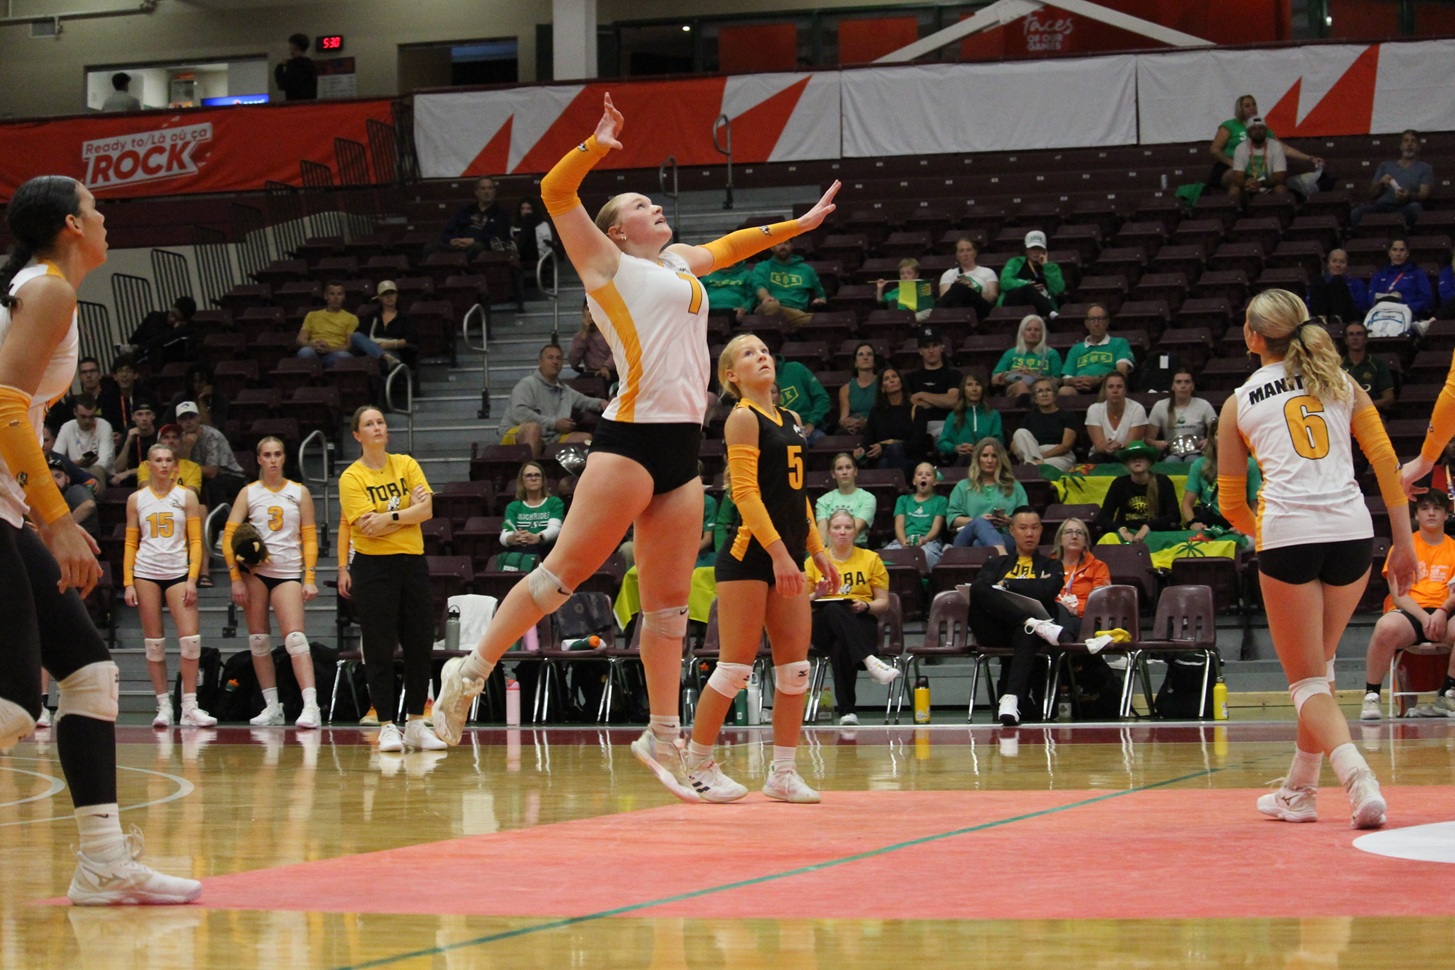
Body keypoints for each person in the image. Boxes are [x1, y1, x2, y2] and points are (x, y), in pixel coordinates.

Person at [430, 94, 842, 794]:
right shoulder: (603, 264)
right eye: (641, 205)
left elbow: (733, 246)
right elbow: (553, 191)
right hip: (628, 440)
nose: (656, 209)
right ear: (616, 231)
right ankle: (467, 674)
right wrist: (595, 146)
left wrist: (793, 226)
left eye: (655, 203)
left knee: (668, 610)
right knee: (560, 577)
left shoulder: (678, 261)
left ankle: (661, 734)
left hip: (682, 447)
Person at [0, 174, 201, 905]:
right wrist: (57, 521)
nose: (105, 214)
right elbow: (5, 405)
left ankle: (105, 863)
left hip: (5, 503)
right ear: (69, 224)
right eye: (95, 205)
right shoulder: (47, 288)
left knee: (89, 673)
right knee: (17, 704)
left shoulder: (42, 286)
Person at [1219, 288, 1415, 829]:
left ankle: (1358, 779)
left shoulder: (1239, 400)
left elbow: (1230, 501)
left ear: (1253, 336)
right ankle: (1297, 791)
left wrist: (1265, 532)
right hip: (1354, 533)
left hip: (1290, 536)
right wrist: (1405, 542)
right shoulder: (1340, 381)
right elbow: (1385, 459)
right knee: (1320, 672)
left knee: (1305, 683)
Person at [680, 335, 839, 801]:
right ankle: (697, 764)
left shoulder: (789, 420)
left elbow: (798, 497)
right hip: (750, 556)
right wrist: (780, 554)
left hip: (787, 553)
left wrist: (818, 551)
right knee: (734, 669)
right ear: (732, 376)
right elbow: (745, 493)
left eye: (765, 351)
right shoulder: (742, 418)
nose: (761, 356)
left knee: (795, 672)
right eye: (748, 354)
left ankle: (783, 773)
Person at [336, 405, 445, 754]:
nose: (377, 427)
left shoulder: (407, 464)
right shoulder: (351, 478)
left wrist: (389, 518)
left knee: (419, 642)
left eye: (381, 422)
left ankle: (415, 722)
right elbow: (363, 525)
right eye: (369, 424)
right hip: (372, 568)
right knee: (380, 647)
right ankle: (386, 724)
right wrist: (405, 515)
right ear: (357, 435)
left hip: (412, 563)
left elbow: (426, 510)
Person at [968, 507, 1104, 727]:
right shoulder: (995, 563)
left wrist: (1007, 585)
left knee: (1026, 631)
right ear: (1012, 531)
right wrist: (1031, 587)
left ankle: (1011, 700)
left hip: (1025, 634)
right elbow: (983, 590)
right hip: (994, 630)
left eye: (1034, 528)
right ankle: (1030, 621)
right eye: (1023, 528)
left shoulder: (1051, 564)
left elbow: (1046, 592)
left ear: (1041, 531)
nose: (1029, 533)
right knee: (978, 589)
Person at [222, 435, 322, 731]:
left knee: (294, 639)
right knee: (258, 640)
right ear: (259, 459)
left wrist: (310, 578)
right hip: (255, 573)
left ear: (284, 458)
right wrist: (235, 578)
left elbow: (310, 537)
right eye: (267, 455)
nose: (273, 459)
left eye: (278, 454)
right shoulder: (249, 493)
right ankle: (272, 707)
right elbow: (229, 536)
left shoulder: (299, 492)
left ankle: (311, 706)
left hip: (288, 572)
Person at [124, 444, 215, 729]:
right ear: (148, 466)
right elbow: (130, 542)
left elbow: (197, 541)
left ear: (175, 466)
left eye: (168, 461)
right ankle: (163, 706)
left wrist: (192, 577)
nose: (163, 465)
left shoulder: (186, 496)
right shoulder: (136, 499)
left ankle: (190, 706)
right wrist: (128, 582)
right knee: (154, 643)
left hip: (178, 571)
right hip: (146, 571)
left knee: (190, 641)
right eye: (158, 460)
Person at [1359, 491, 1455, 721]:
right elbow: (1398, 595)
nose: (1431, 513)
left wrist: (1442, 612)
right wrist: (1424, 617)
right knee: (1385, 628)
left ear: (1446, 514)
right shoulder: (1403, 547)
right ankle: (1372, 696)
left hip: (1446, 610)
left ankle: (1448, 692)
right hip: (1412, 612)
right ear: (1416, 514)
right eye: (1425, 508)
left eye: (1437, 508)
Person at [807, 509, 897, 726]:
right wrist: (817, 594)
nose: (842, 532)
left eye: (848, 527)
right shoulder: (813, 562)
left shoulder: (871, 558)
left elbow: (883, 602)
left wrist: (865, 605)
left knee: (841, 647)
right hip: (822, 623)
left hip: (859, 618)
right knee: (832, 607)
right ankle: (869, 660)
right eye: (837, 527)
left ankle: (848, 712)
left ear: (855, 533)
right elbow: (798, 603)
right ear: (828, 532)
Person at [501, 343, 606, 459]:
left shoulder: (565, 390)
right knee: (533, 429)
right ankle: (532, 472)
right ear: (540, 362)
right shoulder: (526, 384)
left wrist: (603, 403)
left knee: (585, 439)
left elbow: (586, 401)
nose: (555, 361)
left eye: (558, 358)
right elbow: (520, 414)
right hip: (517, 434)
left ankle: (570, 476)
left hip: (551, 438)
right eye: (550, 358)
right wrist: (554, 424)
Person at [1206, 94, 1322, 192]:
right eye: (1247, 106)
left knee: (1277, 184)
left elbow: (1284, 149)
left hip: (1255, 168)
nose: (1252, 108)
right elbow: (1215, 150)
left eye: (1254, 105)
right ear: (1239, 109)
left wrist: (1309, 158)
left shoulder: (1261, 129)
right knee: (1236, 179)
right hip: (1229, 167)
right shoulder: (1230, 125)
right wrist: (1231, 163)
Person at [296, 281, 399, 370]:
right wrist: (313, 345)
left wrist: (329, 349)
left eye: (339, 294)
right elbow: (300, 340)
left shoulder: (351, 318)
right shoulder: (312, 315)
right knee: (305, 352)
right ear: (325, 296)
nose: (336, 297)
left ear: (344, 297)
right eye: (332, 294)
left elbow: (349, 346)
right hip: (314, 352)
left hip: (334, 354)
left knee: (344, 356)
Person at [948, 437, 1027, 550]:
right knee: (979, 522)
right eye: (985, 456)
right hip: (966, 538)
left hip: (1004, 536)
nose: (990, 460)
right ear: (977, 459)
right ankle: (1001, 555)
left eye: (994, 456)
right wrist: (977, 522)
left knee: (979, 545)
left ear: (1000, 459)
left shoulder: (1014, 486)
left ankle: (997, 554)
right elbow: (953, 519)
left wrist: (1009, 521)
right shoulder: (963, 486)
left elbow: (1026, 519)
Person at [1181, 425, 1261, 533]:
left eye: (1228, 434)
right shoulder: (1199, 465)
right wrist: (1193, 523)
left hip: (1240, 523)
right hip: (1208, 524)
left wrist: (1246, 526)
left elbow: (1255, 505)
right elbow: (1187, 503)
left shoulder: (1250, 464)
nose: (1224, 438)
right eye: (1219, 434)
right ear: (1212, 439)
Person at [853, 365, 928, 479]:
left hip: (909, 459)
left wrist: (884, 447)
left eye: (894, 376)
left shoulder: (917, 411)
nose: (892, 380)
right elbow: (868, 441)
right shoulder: (876, 413)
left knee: (895, 451)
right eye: (887, 379)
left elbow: (917, 443)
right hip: (882, 459)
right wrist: (862, 449)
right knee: (884, 463)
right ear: (882, 388)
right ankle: (900, 490)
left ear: (901, 382)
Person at [1096, 441, 1179, 542]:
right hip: (1127, 536)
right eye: (1132, 457)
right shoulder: (1119, 484)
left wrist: (1148, 526)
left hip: (1157, 535)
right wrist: (1121, 530)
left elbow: (1174, 516)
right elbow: (1103, 517)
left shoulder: (1163, 482)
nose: (1137, 460)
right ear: (1126, 463)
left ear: (1149, 461)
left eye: (1142, 457)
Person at [1350, 130, 1433, 230]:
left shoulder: (1425, 168)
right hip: (1382, 206)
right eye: (1406, 141)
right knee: (1356, 213)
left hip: (1405, 207)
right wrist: (1380, 183)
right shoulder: (1385, 165)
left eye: (1413, 141)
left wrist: (1409, 196)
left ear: (1419, 147)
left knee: (1415, 208)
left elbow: (1424, 194)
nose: (1409, 144)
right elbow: (1372, 193)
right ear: (1401, 146)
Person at [174, 399, 246, 514]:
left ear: (198, 418)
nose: (188, 422)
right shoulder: (182, 437)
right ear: (178, 421)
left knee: (213, 484)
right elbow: (181, 469)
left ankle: (221, 526)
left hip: (232, 476)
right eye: (184, 418)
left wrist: (187, 457)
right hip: (203, 478)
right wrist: (186, 449)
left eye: (191, 417)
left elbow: (212, 472)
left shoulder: (212, 436)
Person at [499, 461, 564, 570]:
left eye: (537, 475)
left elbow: (555, 529)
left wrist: (537, 537)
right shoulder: (513, 506)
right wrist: (515, 538)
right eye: (529, 476)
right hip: (521, 550)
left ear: (543, 480)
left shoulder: (554, 502)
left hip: (547, 551)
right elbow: (505, 535)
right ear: (522, 481)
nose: (533, 479)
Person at [750, 240, 829, 328]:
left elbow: (821, 295)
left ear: (791, 246)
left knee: (819, 321)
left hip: (796, 311)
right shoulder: (762, 267)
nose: (783, 247)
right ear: (771, 247)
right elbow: (759, 286)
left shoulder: (807, 270)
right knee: (772, 306)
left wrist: (820, 300)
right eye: (779, 243)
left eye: (786, 243)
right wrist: (766, 297)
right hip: (770, 307)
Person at [430, 176, 513, 260]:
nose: (487, 192)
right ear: (476, 192)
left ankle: (463, 269)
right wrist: (451, 240)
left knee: (478, 247)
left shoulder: (501, 213)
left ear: (494, 192)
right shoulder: (465, 210)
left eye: (490, 188)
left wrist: (473, 240)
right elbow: (448, 231)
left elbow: (500, 236)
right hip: (459, 244)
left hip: (482, 246)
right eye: (483, 188)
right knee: (430, 248)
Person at [884, 461, 948, 568]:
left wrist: (924, 540)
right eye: (919, 474)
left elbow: (936, 529)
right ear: (914, 481)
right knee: (884, 557)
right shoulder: (903, 500)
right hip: (905, 539)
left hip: (928, 541)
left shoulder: (941, 501)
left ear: (935, 482)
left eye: (928, 475)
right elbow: (899, 525)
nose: (923, 477)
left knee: (926, 556)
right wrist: (903, 541)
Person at [1060, 305, 1133, 397]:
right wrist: (1074, 381)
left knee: (1113, 387)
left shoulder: (1120, 343)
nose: (1096, 323)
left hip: (1106, 386)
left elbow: (1121, 372)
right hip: (1080, 390)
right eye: (1092, 319)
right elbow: (1066, 378)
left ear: (1107, 322)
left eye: (1100, 319)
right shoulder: (1076, 349)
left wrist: (1097, 380)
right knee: (1064, 391)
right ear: (1086, 324)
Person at [903, 326, 962, 438]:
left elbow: (953, 401)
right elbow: (909, 404)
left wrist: (922, 395)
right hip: (916, 426)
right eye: (926, 347)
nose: (931, 351)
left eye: (934, 345)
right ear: (920, 351)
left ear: (942, 347)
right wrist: (940, 401)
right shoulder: (910, 378)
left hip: (946, 425)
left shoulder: (954, 375)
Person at [1010, 377, 1080, 472]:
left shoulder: (1068, 416)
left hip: (1060, 457)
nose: (1044, 394)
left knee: (1038, 466)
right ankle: (1031, 464)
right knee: (1020, 432)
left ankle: (1030, 466)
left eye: (1048, 390)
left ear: (1055, 396)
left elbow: (1066, 446)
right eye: (1039, 391)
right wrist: (1024, 454)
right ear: (1035, 399)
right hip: (1033, 453)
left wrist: (1039, 457)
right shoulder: (1030, 418)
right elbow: (1015, 443)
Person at [1145, 371, 1217, 462]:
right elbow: (1148, 439)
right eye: (1178, 382)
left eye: (1187, 382)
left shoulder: (1204, 405)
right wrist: (1156, 443)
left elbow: (1217, 431)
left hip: (1197, 451)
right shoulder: (1160, 406)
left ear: (1192, 386)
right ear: (1172, 386)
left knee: (1192, 459)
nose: (1183, 386)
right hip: (1171, 453)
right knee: (1171, 461)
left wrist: (1208, 440)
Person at [992, 314, 1061, 402]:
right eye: (1028, 329)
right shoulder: (1011, 353)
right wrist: (1013, 372)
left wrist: (1034, 375)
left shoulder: (1051, 354)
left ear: (1042, 333)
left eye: (1037, 330)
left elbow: (1057, 381)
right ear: (1022, 332)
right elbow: (994, 380)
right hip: (1015, 388)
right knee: (1021, 384)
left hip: (1042, 389)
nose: (1032, 333)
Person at [938, 370, 1003, 463]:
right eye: (969, 385)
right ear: (963, 390)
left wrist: (978, 448)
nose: (974, 389)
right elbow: (942, 443)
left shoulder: (993, 415)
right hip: (960, 460)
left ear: (982, 389)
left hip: (988, 460)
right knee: (966, 458)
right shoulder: (953, 416)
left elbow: (998, 441)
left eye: (978, 384)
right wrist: (955, 448)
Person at [1050, 517, 1110, 618]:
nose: (1074, 536)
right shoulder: (1048, 566)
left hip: (1085, 620)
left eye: (1079, 532)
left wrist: (1077, 610)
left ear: (1086, 541)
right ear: (1060, 540)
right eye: (1068, 532)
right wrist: (1060, 607)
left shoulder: (1098, 567)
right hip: (1054, 617)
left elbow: (1100, 602)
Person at [999, 231, 1066, 318]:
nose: (1036, 252)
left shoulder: (1052, 267)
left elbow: (1058, 290)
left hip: (1040, 305)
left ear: (1044, 250)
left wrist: (1046, 266)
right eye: (1033, 248)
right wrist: (1026, 284)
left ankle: (1049, 314)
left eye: (1039, 248)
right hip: (1015, 302)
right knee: (1028, 288)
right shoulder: (1015, 262)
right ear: (1026, 249)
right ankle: (1051, 313)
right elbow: (1004, 282)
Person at [1084, 372, 1147, 463]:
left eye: (1119, 386)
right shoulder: (1094, 409)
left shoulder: (1137, 409)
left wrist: (1119, 446)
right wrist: (1108, 448)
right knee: (1096, 459)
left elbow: (1131, 444)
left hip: (1129, 455)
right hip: (1102, 455)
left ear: (1125, 390)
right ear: (1105, 391)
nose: (1115, 390)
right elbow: (1099, 445)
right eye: (1111, 387)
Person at [814, 452, 875, 547]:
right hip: (829, 548)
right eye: (839, 468)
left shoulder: (867, 498)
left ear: (855, 471)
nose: (844, 472)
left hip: (857, 546)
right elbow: (822, 536)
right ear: (833, 474)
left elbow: (853, 531)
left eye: (848, 467)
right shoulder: (823, 501)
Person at [1368, 235, 1434, 320]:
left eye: (1402, 250)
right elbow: (1371, 301)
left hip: (1410, 316)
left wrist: (1404, 306)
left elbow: (1427, 300)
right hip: (1382, 316)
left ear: (1407, 253)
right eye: (1394, 250)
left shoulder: (1417, 273)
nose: (1398, 254)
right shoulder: (1379, 275)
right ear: (1389, 252)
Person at [54, 393, 114, 486]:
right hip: (75, 474)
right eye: (83, 416)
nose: (87, 421)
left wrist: (73, 465)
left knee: (96, 471)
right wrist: (78, 464)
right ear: (75, 412)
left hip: (100, 475)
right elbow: (55, 459)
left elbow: (103, 462)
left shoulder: (104, 426)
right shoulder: (67, 427)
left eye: (91, 417)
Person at [1339, 321, 1396, 414]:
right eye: (1351, 334)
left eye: (1359, 334)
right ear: (1345, 340)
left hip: (1372, 413)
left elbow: (1388, 398)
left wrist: (1364, 407)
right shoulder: (1338, 365)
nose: (1355, 338)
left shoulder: (1378, 364)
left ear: (1366, 339)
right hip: (1343, 415)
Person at [774, 352, 830, 444]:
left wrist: (812, 422)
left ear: (774, 357)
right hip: (777, 432)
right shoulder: (755, 379)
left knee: (822, 442)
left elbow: (822, 398)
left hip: (807, 428)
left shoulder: (796, 369)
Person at [1229, 117, 1287, 203]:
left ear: (1266, 131)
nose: (1258, 131)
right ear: (1248, 132)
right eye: (1254, 129)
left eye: (1261, 128)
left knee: (1280, 189)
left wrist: (1260, 183)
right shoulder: (1240, 148)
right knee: (1234, 190)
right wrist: (1247, 183)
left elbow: (1280, 177)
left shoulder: (1276, 146)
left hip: (1268, 186)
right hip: (1248, 187)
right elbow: (1237, 176)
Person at [365, 281, 417, 376]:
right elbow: (364, 337)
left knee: (375, 363)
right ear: (380, 297)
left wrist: (391, 344)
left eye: (392, 293)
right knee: (357, 338)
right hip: (373, 350)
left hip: (396, 352)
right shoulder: (372, 316)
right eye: (385, 294)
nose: (389, 297)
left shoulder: (405, 318)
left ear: (397, 295)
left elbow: (411, 339)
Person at [937, 236, 998, 318]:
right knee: (958, 288)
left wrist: (973, 289)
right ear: (957, 255)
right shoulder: (948, 274)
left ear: (975, 253)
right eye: (961, 251)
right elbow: (945, 298)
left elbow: (992, 297)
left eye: (968, 250)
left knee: (960, 288)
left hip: (980, 308)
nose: (965, 254)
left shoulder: (987, 272)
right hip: (954, 310)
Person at [137, 422, 204, 497]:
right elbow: (147, 494)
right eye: (166, 437)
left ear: (180, 442)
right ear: (158, 442)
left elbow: (190, 496)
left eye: (175, 437)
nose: (171, 441)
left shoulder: (192, 467)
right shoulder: (146, 466)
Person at [1306, 249, 1370, 324]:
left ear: (1347, 265)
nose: (1338, 265)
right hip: (1322, 317)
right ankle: (1321, 319)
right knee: (1317, 279)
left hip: (1348, 317)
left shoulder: (1356, 283)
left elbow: (1362, 306)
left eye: (1342, 262)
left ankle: (1337, 318)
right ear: (1328, 264)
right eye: (1334, 261)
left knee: (1337, 281)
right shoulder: (1319, 283)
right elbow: (1309, 303)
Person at [45, 353, 103, 434]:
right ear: (80, 377)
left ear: (100, 374)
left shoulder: (111, 398)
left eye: (92, 371)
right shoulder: (72, 403)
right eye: (84, 372)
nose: (88, 375)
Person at [96, 353, 149, 440]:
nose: (124, 375)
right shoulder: (107, 398)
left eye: (128, 370)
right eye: (120, 371)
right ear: (115, 376)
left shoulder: (146, 395)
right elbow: (105, 423)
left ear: (135, 375)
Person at [107, 398, 157, 490]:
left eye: (148, 414)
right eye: (140, 414)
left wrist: (128, 472)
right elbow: (118, 469)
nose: (144, 418)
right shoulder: (129, 433)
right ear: (133, 417)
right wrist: (127, 443)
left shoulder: (159, 434)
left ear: (153, 416)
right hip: (132, 482)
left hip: (155, 480)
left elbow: (158, 467)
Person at [567, 299, 616, 384]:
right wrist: (584, 336)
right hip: (591, 373)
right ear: (583, 312)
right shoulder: (579, 336)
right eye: (588, 309)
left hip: (612, 371)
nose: (591, 313)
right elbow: (573, 362)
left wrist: (606, 367)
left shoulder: (611, 332)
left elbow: (617, 353)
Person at [837, 342, 879, 436]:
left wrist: (866, 422)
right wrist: (847, 423)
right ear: (855, 362)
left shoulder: (882, 384)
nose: (865, 357)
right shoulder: (845, 389)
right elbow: (843, 417)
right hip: (855, 428)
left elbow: (885, 415)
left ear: (874, 361)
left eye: (869, 354)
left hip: (877, 426)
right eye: (861, 355)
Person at [50, 456, 98, 537]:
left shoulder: (74, 490)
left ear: (67, 479)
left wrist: (65, 527)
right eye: (49, 477)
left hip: (83, 541)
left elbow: (89, 505)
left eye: (58, 476)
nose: (54, 481)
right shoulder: (52, 499)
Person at [512, 197, 554, 269]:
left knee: (529, 221)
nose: (525, 211)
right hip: (520, 257)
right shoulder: (514, 227)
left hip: (539, 255)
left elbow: (546, 244)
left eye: (528, 209)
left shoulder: (543, 225)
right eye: (522, 209)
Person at [275, 33, 318, 101]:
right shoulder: (311, 64)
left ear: (295, 46)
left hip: (294, 104)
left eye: (290, 45)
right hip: (309, 104)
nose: (289, 47)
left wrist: (279, 67)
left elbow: (282, 84)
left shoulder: (293, 64)